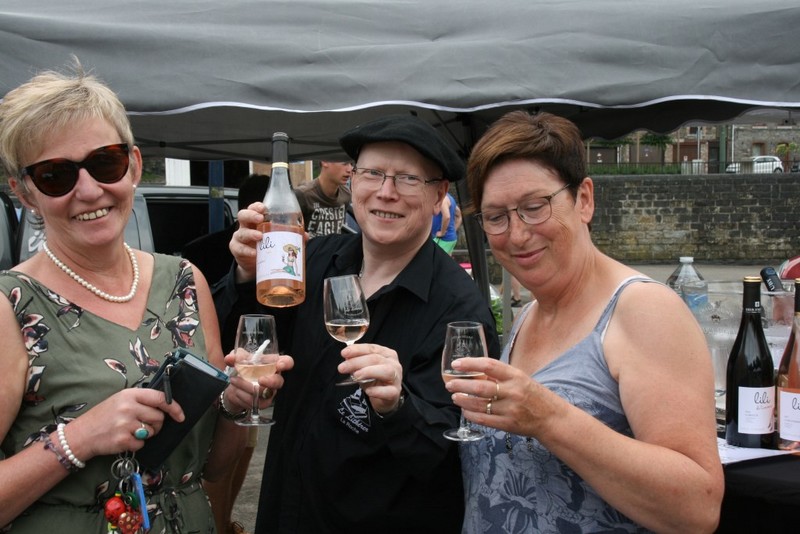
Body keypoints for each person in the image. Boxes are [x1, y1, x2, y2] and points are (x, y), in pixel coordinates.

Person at [0, 62, 289, 533]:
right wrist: (78, 439)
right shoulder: (11, 307)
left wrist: (236, 406)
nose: (89, 190)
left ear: (133, 165)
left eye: (105, 163)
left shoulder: (184, 281)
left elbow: (213, 468)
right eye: (55, 175)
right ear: (25, 193)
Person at [213, 114, 501, 533]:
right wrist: (245, 273)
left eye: (407, 179)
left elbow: (453, 454)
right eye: (372, 173)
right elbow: (237, 338)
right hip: (284, 514)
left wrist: (398, 407)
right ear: (353, 181)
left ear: (439, 193)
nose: (386, 192)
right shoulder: (314, 259)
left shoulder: (459, 310)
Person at [446, 111, 724, 533]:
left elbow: (697, 507)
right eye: (496, 217)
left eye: (534, 207)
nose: (517, 234)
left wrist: (550, 419)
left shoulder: (644, 310)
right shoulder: (528, 315)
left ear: (584, 200)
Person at [183, 174, 270, 534]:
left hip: (250, 372)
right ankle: (220, 524)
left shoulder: (280, 246)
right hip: (216, 369)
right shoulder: (204, 252)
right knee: (219, 460)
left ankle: (226, 521)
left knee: (244, 447)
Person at [182, 173, 270, 287]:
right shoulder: (200, 252)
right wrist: (243, 275)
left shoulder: (287, 249)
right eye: (273, 216)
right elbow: (196, 296)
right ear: (250, 212)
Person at [295, 160, 353, 237]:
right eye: (344, 163)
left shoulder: (346, 194)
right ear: (325, 161)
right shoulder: (303, 195)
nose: (350, 169)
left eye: (351, 164)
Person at [431, 190, 461, 255]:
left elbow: (447, 216)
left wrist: (442, 232)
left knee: (435, 259)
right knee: (444, 260)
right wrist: (454, 230)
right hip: (449, 238)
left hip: (443, 239)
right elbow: (459, 215)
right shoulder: (450, 198)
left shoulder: (443, 199)